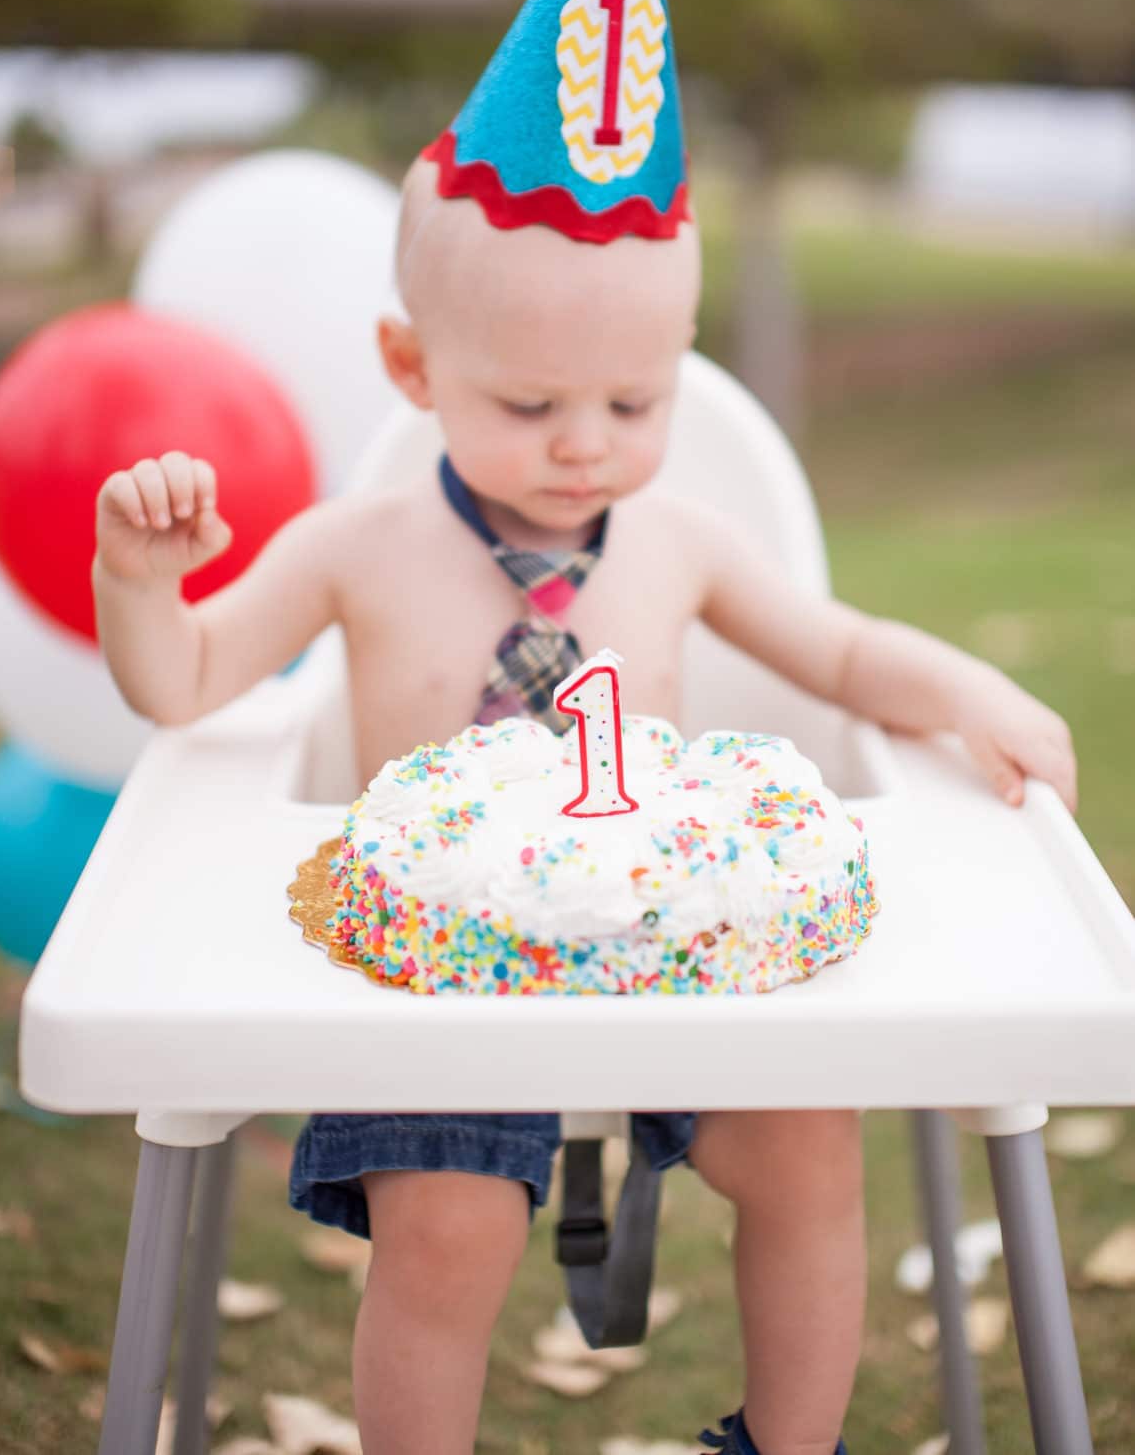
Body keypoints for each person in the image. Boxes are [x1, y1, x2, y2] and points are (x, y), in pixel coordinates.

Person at [94, 153, 1077, 1455]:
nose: (584, 440)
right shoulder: (360, 546)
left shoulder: (678, 539)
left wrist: (966, 690)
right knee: (448, 1227)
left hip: (671, 957)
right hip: (439, 983)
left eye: (633, 398)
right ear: (410, 366)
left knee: (809, 1146)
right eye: (530, 398)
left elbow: (838, 654)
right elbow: (190, 683)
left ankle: (789, 1445)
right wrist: (137, 585)